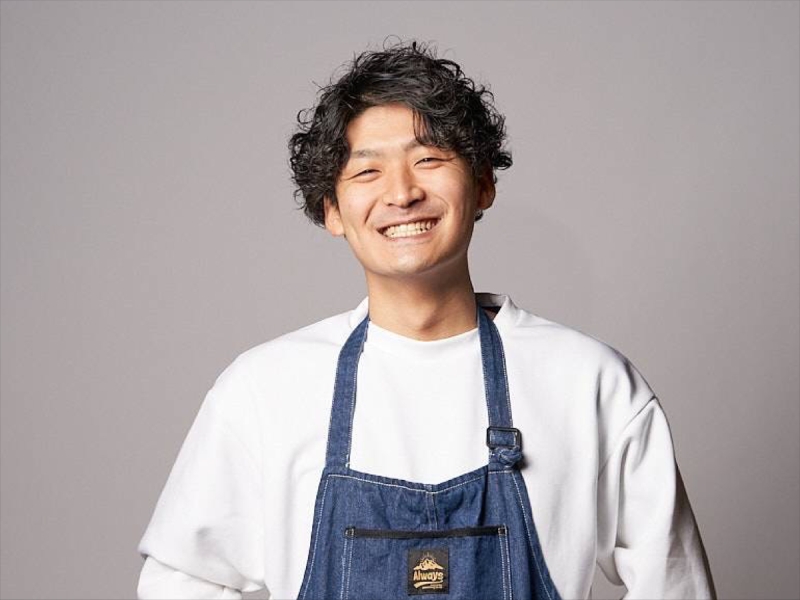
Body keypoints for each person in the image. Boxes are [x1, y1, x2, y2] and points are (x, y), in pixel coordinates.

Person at [137, 41, 716, 599]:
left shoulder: (590, 382)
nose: (402, 193)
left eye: (429, 160)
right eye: (367, 172)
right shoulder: (263, 389)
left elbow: (674, 583)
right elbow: (183, 581)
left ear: (483, 184)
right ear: (331, 210)